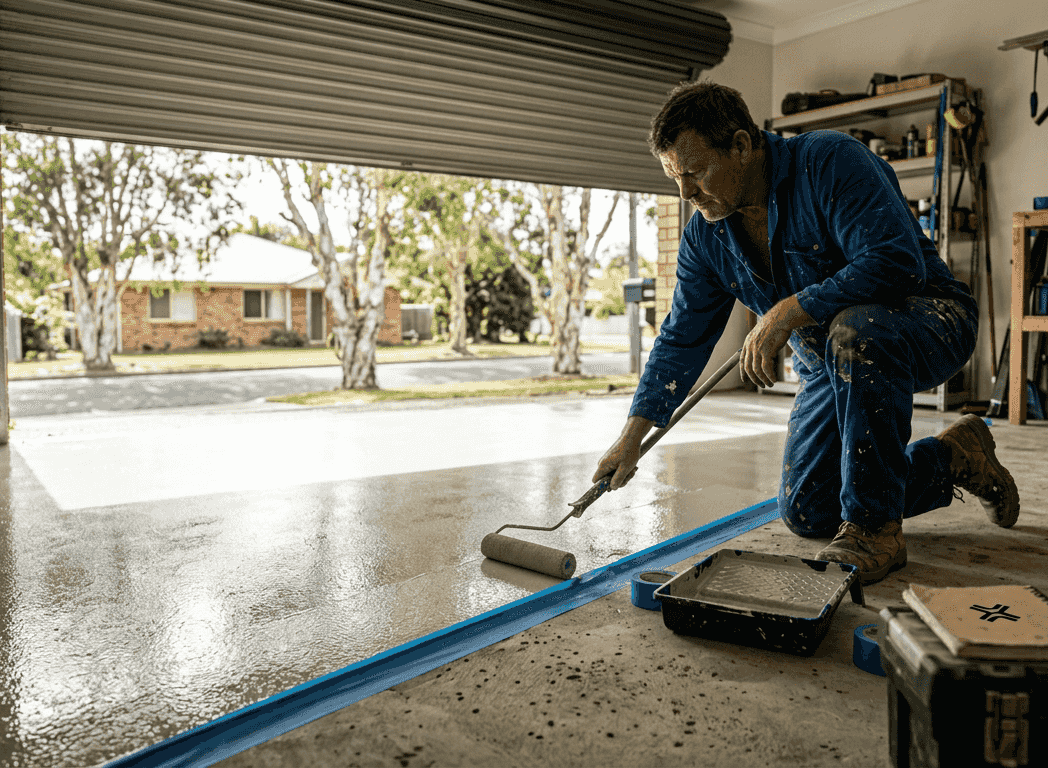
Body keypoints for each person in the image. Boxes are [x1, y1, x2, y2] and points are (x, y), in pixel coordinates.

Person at [593, 81, 1020, 584]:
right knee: (808, 510)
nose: (686, 194)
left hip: (927, 320)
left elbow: (896, 263)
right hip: (828, 359)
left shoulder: (831, 161)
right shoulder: (706, 234)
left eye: (694, 173)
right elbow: (681, 337)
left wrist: (787, 310)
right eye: (674, 177)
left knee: (854, 331)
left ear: (741, 145)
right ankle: (953, 457)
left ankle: (875, 530)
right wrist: (631, 438)